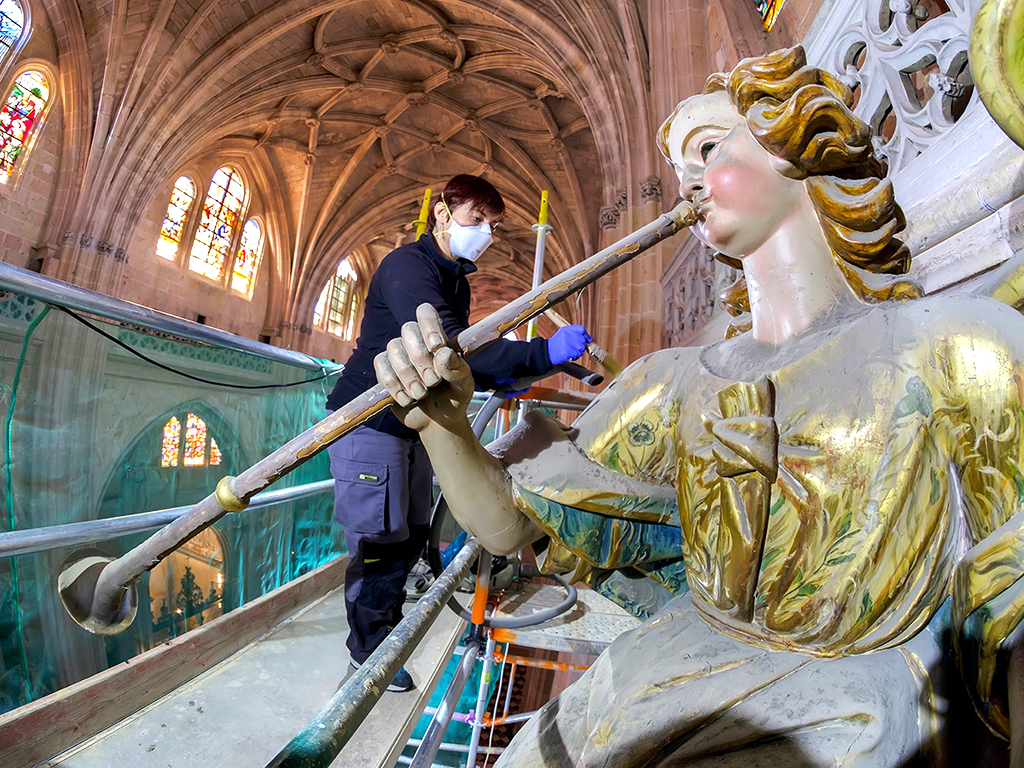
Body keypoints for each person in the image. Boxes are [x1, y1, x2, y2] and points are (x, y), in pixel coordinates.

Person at [372, 47, 1024, 764]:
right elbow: (503, 526)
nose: (688, 185)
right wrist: (442, 422)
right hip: (657, 673)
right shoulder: (671, 381)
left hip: (842, 711)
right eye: (680, 171)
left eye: (708, 150)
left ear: (796, 144)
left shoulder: (955, 348)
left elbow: (1010, 616)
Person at [325, 174, 591, 692]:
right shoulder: (407, 266)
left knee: (410, 532)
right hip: (370, 422)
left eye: (493, 226)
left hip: (411, 425)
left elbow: (460, 362)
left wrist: (512, 375)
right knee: (380, 540)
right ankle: (367, 657)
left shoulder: (457, 280)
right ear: (443, 215)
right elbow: (448, 346)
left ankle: (385, 634)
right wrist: (541, 353)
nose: (486, 234)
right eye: (477, 220)